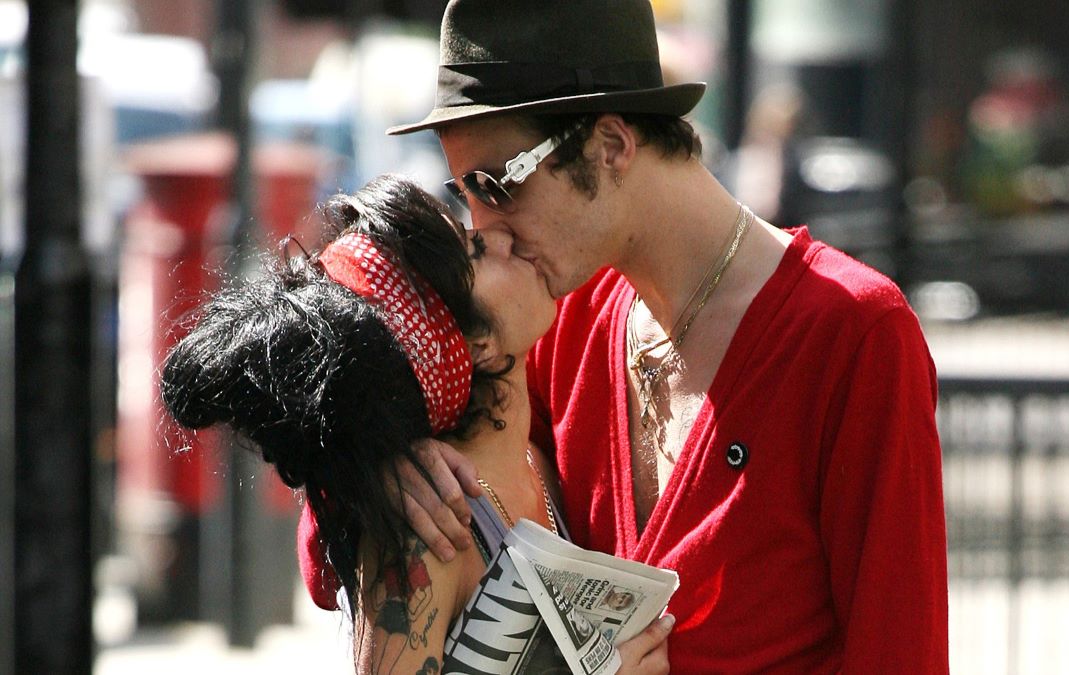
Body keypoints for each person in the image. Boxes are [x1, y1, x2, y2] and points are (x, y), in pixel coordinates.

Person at [304, 1, 949, 672]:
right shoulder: (559, 317)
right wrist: (389, 461)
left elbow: (902, 654)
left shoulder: (853, 334)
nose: (484, 225)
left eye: (498, 185)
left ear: (610, 145)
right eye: (464, 190)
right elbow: (328, 566)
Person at [160, 174, 672, 674]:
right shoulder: (429, 528)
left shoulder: (535, 456)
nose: (497, 233)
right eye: (475, 252)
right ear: (473, 347)